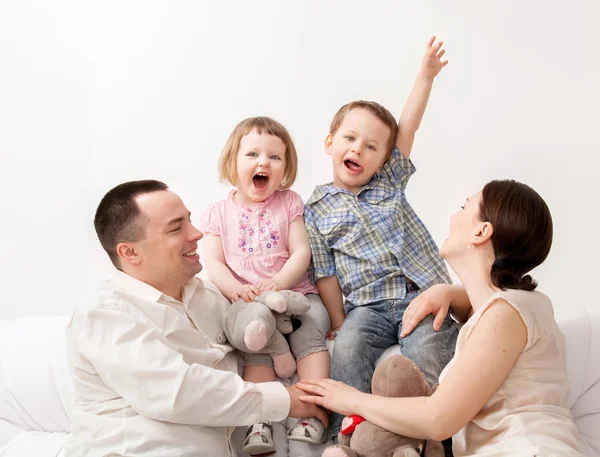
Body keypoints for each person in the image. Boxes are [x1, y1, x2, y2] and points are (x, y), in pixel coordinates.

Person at [298, 179, 585, 456]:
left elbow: (439, 419)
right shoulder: (515, 307)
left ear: (481, 232)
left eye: (463, 207)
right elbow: (482, 304)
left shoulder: (506, 315)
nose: (452, 215)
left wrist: (352, 400)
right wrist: (445, 291)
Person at [64, 180, 327, 457]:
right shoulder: (105, 314)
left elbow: (267, 331)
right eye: (176, 228)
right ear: (130, 252)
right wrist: (286, 400)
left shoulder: (212, 298)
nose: (197, 234)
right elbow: (175, 392)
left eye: (189, 220)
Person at [303, 36, 458, 439]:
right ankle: (346, 436)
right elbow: (325, 272)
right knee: (350, 350)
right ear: (330, 143)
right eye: (350, 139)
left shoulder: (388, 181)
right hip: (365, 308)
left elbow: (408, 126)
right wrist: (338, 321)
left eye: (372, 146)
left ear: (384, 159)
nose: (359, 150)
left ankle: (421, 434)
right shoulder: (316, 208)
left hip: (419, 295)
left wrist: (425, 76)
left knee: (431, 344)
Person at [199, 117, 331, 455]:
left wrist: (280, 282)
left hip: (295, 296)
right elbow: (213, 262)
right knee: (253, 345)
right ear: (233, 161)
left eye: (274, 157)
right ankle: (260, 421)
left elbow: (302, 251)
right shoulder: (218, 213)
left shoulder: (289, 203)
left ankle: (314, 411)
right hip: (251, 303)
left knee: (309, 332)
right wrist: (234, 290)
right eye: (253, 155)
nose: (263, 162)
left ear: (286, 167)